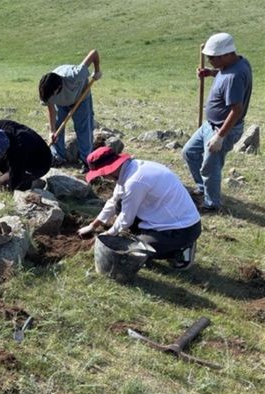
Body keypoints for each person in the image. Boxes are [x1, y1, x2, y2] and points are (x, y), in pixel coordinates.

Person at [78, 147, 201, 270]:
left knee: (137, 250)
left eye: (103, 174)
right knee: (119, 204)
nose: (104, 178)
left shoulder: (134, 181)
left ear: (111, 168)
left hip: (182, 229)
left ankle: (181, 250)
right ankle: (154, 238)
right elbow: (114, 200)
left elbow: (126, 218)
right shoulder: (129, 169)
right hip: (164, 216)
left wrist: (108, 236)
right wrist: (93, 225)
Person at [182, 32, 252, 212]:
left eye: (213, 58)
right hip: (210, 125)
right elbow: (223, 72)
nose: (210, 60)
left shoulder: (234, 76)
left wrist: (220, 137)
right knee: (189, 152)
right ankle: (203, 188)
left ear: (227, 54)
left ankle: (212, 204)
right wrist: (211, 72)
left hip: (222, 129)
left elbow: (236, 110)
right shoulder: (237, 63)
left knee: (210, 168)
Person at [39, 49, 101, 171]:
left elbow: (94, 53)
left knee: (83, 128)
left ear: (57, 90)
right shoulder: (45, 90)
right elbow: (51, 109)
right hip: (62, 102)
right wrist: (52, 131)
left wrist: (97, 71)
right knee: (57, 128)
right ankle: (58, 157)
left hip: (80, 97)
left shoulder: (74, 75)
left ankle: (86, 160)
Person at [0, 119, 52, 191]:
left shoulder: (19, 147)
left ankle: (33, 183)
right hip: (21, 152)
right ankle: (7, 174)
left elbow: (15, 175)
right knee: (0, 162)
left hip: (40, 163)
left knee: (5, 183)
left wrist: (9, 189)